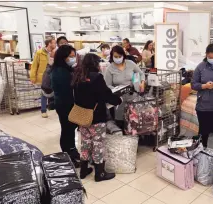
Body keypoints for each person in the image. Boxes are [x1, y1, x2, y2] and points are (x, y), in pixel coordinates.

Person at [72, 53, 122, 181]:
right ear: (95, 64)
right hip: (96, 117)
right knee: (98, 144)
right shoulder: (97, 77)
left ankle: (83, 170)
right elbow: (105, 95)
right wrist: (118, 100)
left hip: (82, 116)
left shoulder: (78, 76)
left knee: (85, 143)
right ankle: (100, 173)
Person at [51, 45, 80, 167]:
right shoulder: (60, 71)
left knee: (70, 129)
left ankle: (71, 152)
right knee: (67, 130)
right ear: (63, 57)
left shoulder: (65, 69)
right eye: (71, 57)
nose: (73, 59)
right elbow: (67, 90)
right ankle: (67, 155)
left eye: (74, 56)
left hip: (66, 104)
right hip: (65, 105)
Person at [104, 45, 145, 127]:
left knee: (134, 121)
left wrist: (142, 82)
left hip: (132, 97)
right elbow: (107, 85)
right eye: (116, 56)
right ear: (112, 56)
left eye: (120, 56)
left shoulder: (130, 63)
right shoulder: (109, 69)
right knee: (121, 123)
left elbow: (141, 73)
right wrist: (116, 89)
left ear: (123, 55)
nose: (118, 58)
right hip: (119, 100)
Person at [30, 38, 56, 118]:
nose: (55, 45)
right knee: (44, 93)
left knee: (54, 92)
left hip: (53, 75)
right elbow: (34, 66)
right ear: (49, 44)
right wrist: (33, 77)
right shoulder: (39, 53)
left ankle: (52, 107)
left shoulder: (55, 53)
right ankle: (43, 110)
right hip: (43, 76)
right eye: (54, 43)